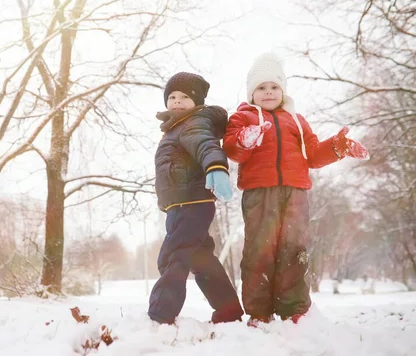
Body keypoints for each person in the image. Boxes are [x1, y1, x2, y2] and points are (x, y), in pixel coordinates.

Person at [223, 53, 369, 327]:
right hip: (260, 194)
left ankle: (295, 309)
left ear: (283, 90)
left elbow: (312, 155)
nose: (268, 92)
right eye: (261, 87)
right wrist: (245, 140)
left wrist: (338, 146)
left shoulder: (297, 121)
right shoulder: (242, 118)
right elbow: (233, 150)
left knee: (295, 250)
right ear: (251, 92)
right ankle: (259, 312)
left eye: (274, 87)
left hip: (295, 194)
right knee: (260, 251)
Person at [148, 72, 244, 325]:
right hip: (185, 203)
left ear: (197, 101)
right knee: (201, 259)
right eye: (172, 96)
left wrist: (216, 166)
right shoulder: (177, 126)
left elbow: (206, 144)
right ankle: (229, 311)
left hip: (189, 202)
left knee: (173, 256)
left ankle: (161, 314)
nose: (177, 101)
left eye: (184, 97)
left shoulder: (192, 123)